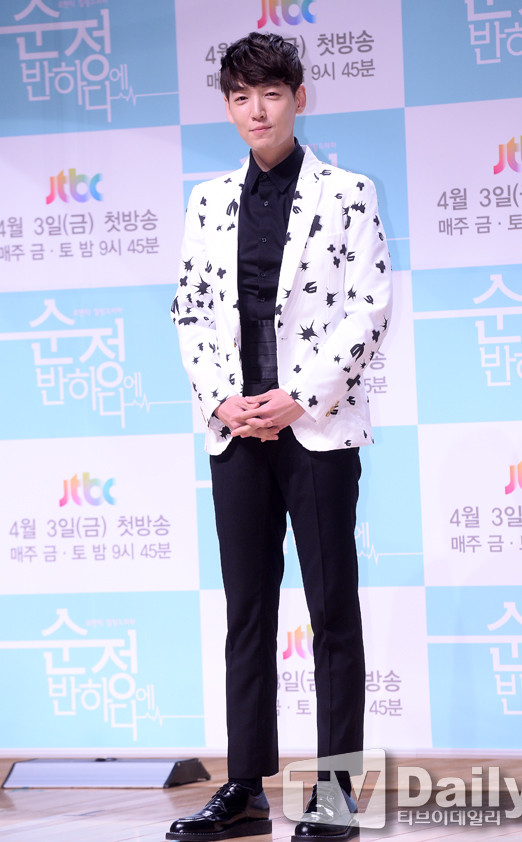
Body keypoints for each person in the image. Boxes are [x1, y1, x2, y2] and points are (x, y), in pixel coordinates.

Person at [167, 31, 392, 842]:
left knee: (332, 611)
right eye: (240, 97)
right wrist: (224, 401)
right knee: (247, 612)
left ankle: (336, 796)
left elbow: (369, 306)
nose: (256, 110)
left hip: (317, 429)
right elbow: (190, 310)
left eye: (270, 93)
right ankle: (245, 790)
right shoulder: (207, 201)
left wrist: (296, 398)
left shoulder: (349, 191)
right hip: (237, 434)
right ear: (228, 107)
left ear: (300, 97)